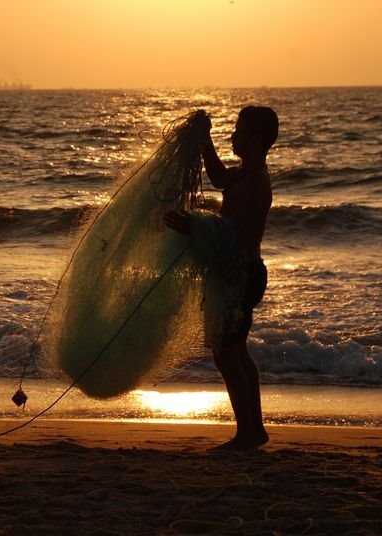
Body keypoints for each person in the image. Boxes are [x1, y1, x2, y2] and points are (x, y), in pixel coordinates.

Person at [164, 106, 278, 450]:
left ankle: (247, 434)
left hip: (242, 276)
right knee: (236, 352)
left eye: (239, 131)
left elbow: (231, 232)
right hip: (238, 274)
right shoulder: (245, 173)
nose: (234, 136)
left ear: (256, 139)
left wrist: (193, 226)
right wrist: (205, 140)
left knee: (227, 356)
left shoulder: (257, 183)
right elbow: (217, 178)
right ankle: (254, 430)